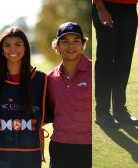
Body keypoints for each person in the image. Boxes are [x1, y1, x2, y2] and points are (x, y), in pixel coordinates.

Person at [0, 26, 53, 168]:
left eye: (18, 45)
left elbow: (45, 117)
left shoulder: (40, 79)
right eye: (7, 45)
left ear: (26, 48)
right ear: (1, 49)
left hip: (29, 157)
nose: (12, 50)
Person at [48, 22, 92, 168]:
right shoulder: (50, 78)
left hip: (89, 147)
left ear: (83, 44)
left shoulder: (95, 71)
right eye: (65, 42)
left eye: (76, 41)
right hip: (59, 147)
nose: (70, 46)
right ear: (58, 46)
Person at [92, 0, 138, 128]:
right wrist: (100, 7)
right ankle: (102, 112)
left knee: (124, 61)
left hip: (130, 9)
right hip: (107, 7)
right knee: (105, 61)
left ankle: (119, 110)